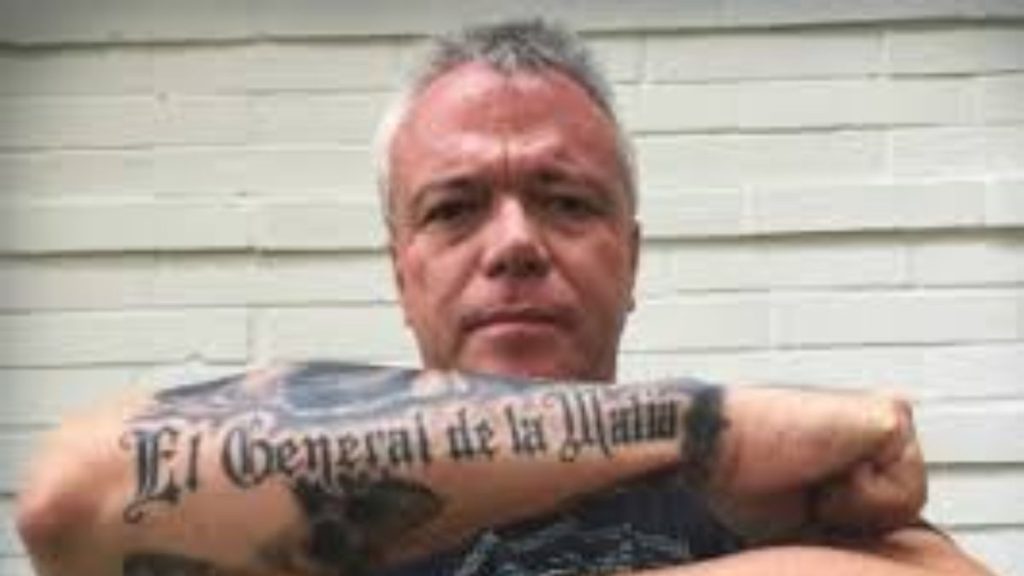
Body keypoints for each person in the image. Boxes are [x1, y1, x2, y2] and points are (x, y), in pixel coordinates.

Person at [16, 19, 990, 576]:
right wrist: (705, 426)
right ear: (401, 268)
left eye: (567, 202)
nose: (515, 243)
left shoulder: (775, 503)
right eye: (454, 209)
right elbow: (74, 499)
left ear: (631, 259)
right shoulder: (743, 468)